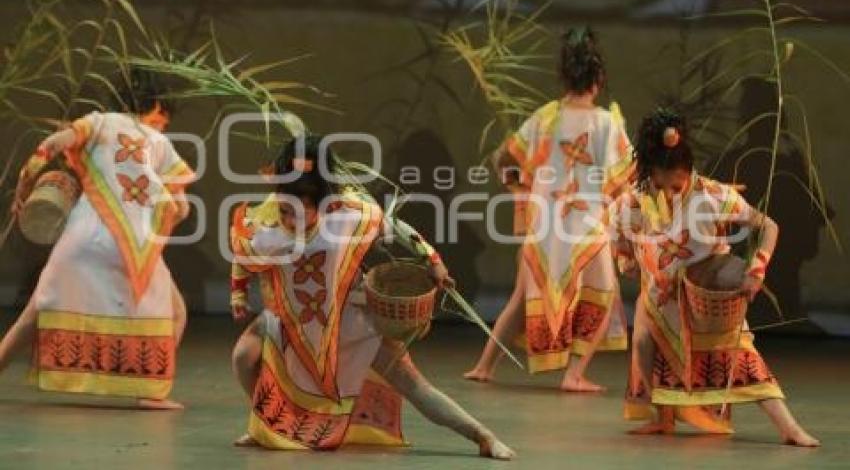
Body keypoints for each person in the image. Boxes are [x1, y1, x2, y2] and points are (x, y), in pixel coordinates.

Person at [229, 134, 515, 459]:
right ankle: (268, 427)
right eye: (284, 209)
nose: (288, 219)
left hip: (352, 321)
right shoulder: (268, 220)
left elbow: (399, 228)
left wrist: (433, 261)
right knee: (243, 357)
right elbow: (243, 253)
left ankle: (483, 436)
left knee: (414, 386)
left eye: (298, 211)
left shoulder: (349, 216)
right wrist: (237, 296)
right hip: (292, 323)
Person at [612, 108, 819, 446]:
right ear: (649, 173)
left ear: (688, 171)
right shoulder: (631, 202)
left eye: (677, 185)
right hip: (660, 293)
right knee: (642, 343)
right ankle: (661, 416)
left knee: (741, 354)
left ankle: (789, 428)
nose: (669, 193)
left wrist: (756, 269)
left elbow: (769, 226)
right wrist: (628, 263)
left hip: (704, 287)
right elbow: (621, 245)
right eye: (661, 185)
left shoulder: (711, 195)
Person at [0, 69, 194, 409]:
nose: (164, 124)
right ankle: (150, 393)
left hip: (82, 240)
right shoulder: (160, 143)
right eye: (164, 116)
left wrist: (24, 187)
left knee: (34, 313)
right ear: (156, 107)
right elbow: (180, 208)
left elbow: (50, 146)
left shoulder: (98, 123)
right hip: (132, 247)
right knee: (175, 313)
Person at [464, 28, 634, 391]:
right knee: (602, 295)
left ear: (565, 76)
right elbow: (625, 174)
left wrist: (522, 190)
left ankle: (484, 366)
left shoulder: (546, 116)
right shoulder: (606, 122)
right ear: (599, 79)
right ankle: (573, 374)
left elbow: (503, 158)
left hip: (545, 224)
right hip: (586, 222)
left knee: (522, 296)